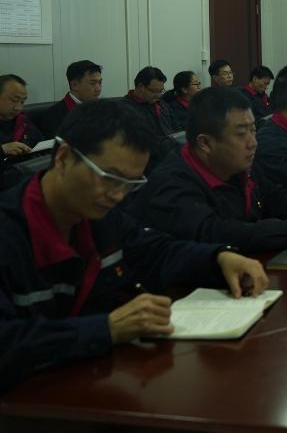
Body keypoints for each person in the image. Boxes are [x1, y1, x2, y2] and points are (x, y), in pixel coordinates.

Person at [0, 99, 268, 390]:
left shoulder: (99, 217)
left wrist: (218, 259)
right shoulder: (12, 232)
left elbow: (155, 252)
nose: (118, 195)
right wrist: (106, 329)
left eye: (129, 183)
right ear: (64, 158)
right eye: (110, 178)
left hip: (89, 383)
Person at [128, 87, 287, 253]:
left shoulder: (236, 164)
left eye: (253, 130)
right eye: (242, 134)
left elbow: (272, 198)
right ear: (205, 143)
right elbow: (216, 233)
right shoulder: (173, 183)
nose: (253, 142)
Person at [35, 60, 103, 139]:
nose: (98, 89)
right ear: (74, 85)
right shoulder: (52, 116)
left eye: (100, 83)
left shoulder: (101, 109)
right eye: (93, 83)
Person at [0, 75, 45, 162]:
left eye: (22, 102)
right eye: (14, 100)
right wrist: (2, 150)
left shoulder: (24, 122)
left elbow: (41, 146)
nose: (18, 108)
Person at [122, 67, 174, 137]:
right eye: (155, 91)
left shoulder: (162, 104)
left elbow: (176, 127)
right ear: (141, 86)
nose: (159, 95)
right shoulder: (124, 108)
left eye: (161, 91)